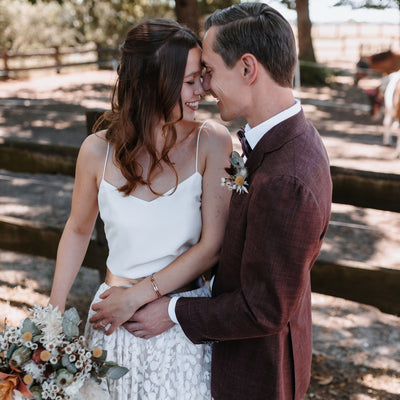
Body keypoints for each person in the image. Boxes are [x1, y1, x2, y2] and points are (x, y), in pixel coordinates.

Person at [124, 4, 333, 400]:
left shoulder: (287, 177)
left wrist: (171, 311)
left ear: (247, 68)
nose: (203, 85)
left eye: (210, 70)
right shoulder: (282, 141)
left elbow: (263, 310)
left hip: (256, 374)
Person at [49, 18, 232, 400]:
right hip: (112, 324)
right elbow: (79, 229)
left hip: (180, 323)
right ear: (153, 83)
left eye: (202, 77)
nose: (203, 90)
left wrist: (139, 297)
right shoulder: (95, 151)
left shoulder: (211, 142)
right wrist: (54, 309)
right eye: (190, 81)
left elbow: (212, 246)